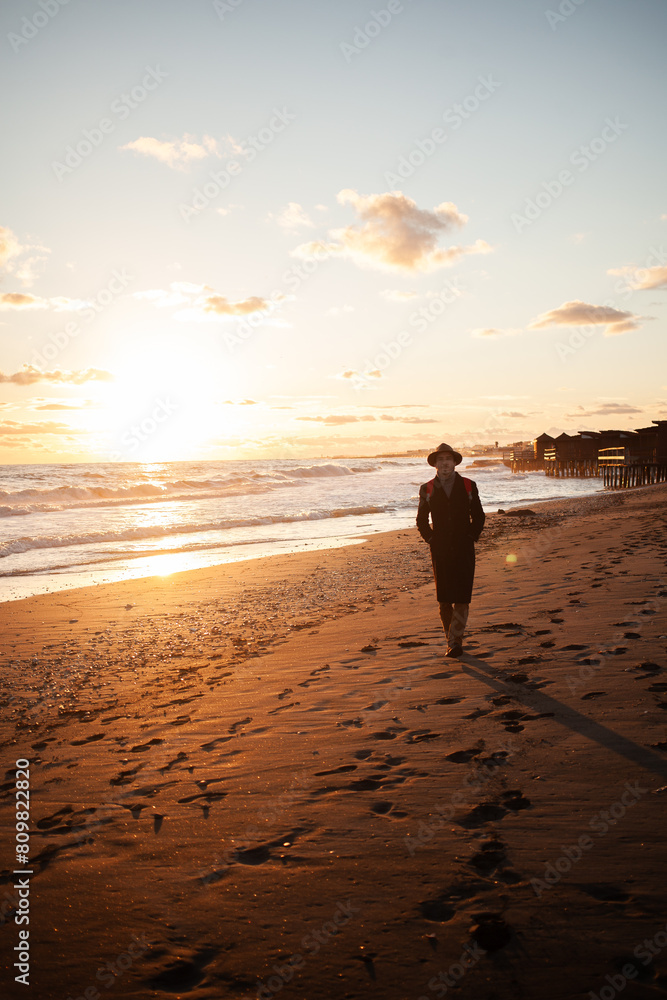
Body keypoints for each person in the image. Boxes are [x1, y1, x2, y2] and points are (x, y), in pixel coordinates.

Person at [416, 443, 485, 657]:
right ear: (435, 464)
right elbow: (421, 520)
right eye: (440, 459)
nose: (445, 463)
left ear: (454, 462)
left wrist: (471, 536)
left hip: (464, 547)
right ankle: (452, 640)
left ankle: (455, 641)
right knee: (444, 598)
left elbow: (479, 516)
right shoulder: (426, 488)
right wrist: (431, 539)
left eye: (448, 459)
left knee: (462, 596)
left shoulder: (468, 485)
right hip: (440, 549)